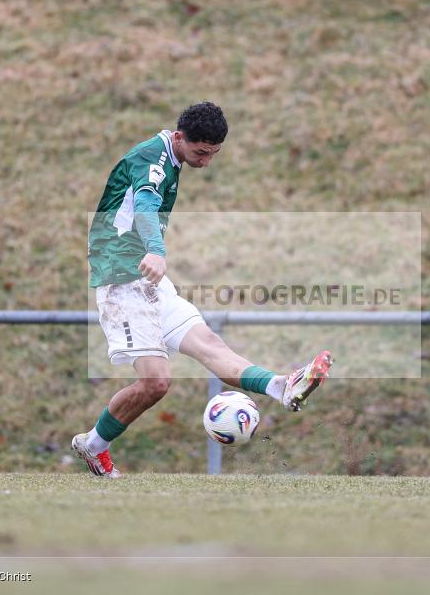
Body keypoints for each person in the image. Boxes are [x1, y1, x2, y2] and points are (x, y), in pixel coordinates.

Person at [73, 101, 333, 477]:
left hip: (146, 279)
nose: (206, 162)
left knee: (210, 344)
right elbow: (145, 202)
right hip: (121, 278)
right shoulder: (153, 159)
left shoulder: (173, 158)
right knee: (156, 382)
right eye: (200, 152)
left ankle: (282, 386)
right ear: (179, 137)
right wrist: (156, 250)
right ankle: (94, 446)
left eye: (213, 154)